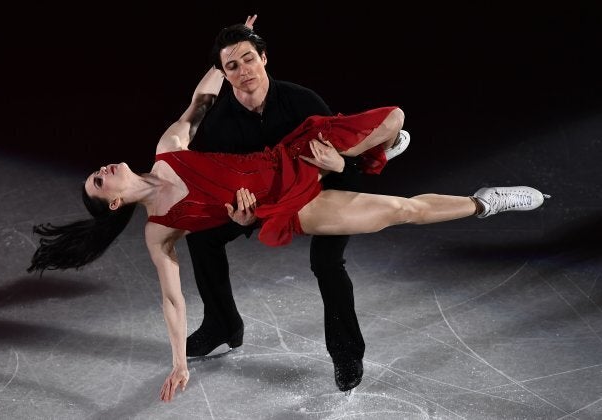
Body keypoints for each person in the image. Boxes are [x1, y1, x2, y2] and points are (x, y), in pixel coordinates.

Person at [27, 60, 549, 401]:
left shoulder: (169, 150)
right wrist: (179, 363)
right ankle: (485, 203)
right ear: (114, 201)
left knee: (390, 125)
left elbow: (200, 102)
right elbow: (170, 300)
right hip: (286, 208)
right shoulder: (159, 230)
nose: (103, 167)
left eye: (247, 64)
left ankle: (377, 152)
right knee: (398, 211)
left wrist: (224, 53)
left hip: (296, 157)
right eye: (99, 181)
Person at [181, 16, 410, 394]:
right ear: (223, 73)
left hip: (322, 192)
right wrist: (238, 215)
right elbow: (222, 185)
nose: (244, 71)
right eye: (232, 66)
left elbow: (346, 175)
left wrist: (343, 164)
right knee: (200, 237)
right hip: (262, 201)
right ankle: (222, 325)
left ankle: (346, 353)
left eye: (249, 59)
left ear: (265, 58)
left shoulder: (302, 101)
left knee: (326, 261)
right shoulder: (220, 124)